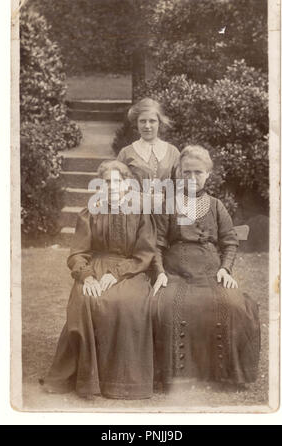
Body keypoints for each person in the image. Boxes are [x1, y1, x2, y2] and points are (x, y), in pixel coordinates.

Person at [43, 160, 161, 400]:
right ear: (100, 184)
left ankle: (124, 380)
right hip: (96, 266)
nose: (113, 186)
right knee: (86, 299)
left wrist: (116, 273)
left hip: (130, 269)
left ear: (127, 183)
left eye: (118, 181)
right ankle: (89, 377)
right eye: (108, 181)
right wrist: (86, 276)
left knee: (127, 303)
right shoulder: (91, 210)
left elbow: (144, 253)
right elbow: (78, 252)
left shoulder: (140, 211)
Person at [152, 145, 261, 388]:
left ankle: (222, 374)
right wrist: (159, 273)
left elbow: (230, 242)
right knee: (169, 307)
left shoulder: (216, 206)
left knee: (232, 306)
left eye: (198, 173)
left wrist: (225, 269)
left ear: (208, 174)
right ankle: (178, 377)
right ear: (179, 172)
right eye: (187, 172)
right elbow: (157, 245)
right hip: (175, 273)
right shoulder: (168, 204)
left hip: (211, 273)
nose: (191, 178)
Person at [117, 98, 180, 189]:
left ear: (160, 123)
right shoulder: (126, 153)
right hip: (134, 202)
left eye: (152, 121)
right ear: (136, 123)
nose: (147, 126)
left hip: (166, 202)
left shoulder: (173, 152)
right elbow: (116, 186)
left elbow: (181, 185)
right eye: (142, 121)